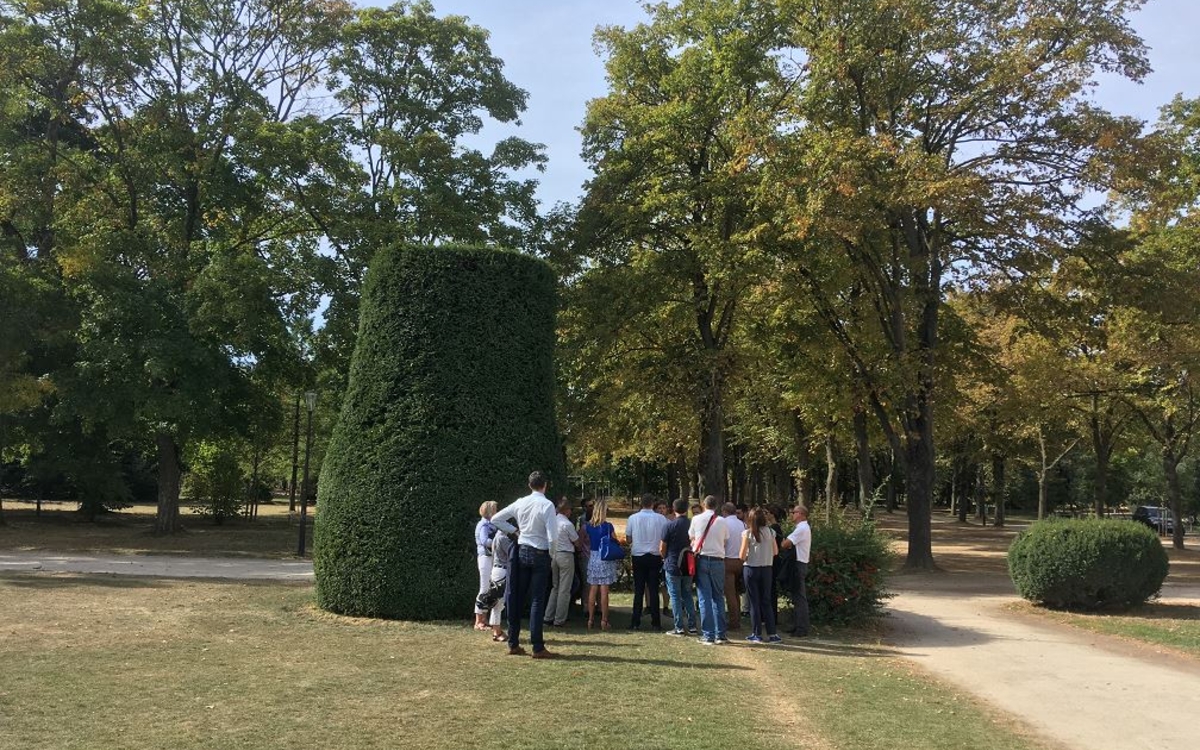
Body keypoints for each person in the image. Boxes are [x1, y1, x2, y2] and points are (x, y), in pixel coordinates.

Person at [490, 471, 559, 659]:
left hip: (522, 550)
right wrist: (551, 556)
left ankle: (513, 642)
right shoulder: (547, 505)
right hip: (540, 552)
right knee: (537, 599)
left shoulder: (521, 502)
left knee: (516, 596)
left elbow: (496, 519)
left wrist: (515, 531)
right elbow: (553, 537)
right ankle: (537, 646)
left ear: (529, 485)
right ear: (545, 485)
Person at [689, 495, 729, 645]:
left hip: (703, 559)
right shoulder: (722, 521)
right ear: (716, 506)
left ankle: (708, 634)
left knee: (704, 597)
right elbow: (725, 540)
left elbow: (691, 537)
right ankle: (721, 634)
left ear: (703, 505)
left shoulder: (696, 519)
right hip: (718, 560)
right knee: (718, 597)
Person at [626, 493, 669, 630]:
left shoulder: (633, 518)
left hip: (638, 555)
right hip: (655, 555)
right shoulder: (661, 519)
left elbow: (628, 538)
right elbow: (665, 537)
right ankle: (656, 622)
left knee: (639, 590)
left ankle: (635, 621)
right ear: (652, 504)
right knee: (654, 589)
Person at [740, 507, 781, 644]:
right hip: (767, 569)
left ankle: (756, 633)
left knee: (754, 602)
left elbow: (741, 555)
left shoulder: (748, 533)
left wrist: (748, 556)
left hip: (751, 568)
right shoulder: (771, 532)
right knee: (766, 601)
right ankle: (772, 633)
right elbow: (775, 552)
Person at [660, 497, 697, 635]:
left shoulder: (669, 525)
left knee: (675, 595)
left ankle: (679, 627)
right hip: (688, 563)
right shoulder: (692, 524)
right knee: (687, 594)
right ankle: (692, 626)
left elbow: (662, 547)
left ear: (673, 509)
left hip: (673, 563)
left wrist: (665, 558)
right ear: (686, 509)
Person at [545, 498, 582, 627]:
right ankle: (559, 619)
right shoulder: (567, 524)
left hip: (554, 554)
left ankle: (548, 616)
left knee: (555, 587)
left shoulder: (552, 522)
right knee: (564, 589)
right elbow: (577, 542)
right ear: (566, 510)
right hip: (565, 555)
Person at [584, 498, 619, 630]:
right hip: (605, 557)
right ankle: (604, 620)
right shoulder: (608, 526)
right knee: (604, 591)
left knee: (593, 589)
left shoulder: (588, 526)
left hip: (593, 557)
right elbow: (615, 540)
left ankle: (590, 619)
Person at [476, 525, 515, 642]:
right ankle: (497, 631)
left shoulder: (497, 537)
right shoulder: (502, 538)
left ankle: (496, 630)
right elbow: (512, 553)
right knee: (499, 603)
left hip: (498, 569)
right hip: (502, 571)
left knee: (497, 602)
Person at [779, 505, 812, 637]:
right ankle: (798, 625)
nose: (792, 514)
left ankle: (802, 628)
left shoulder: (802, 529)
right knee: (797, 597)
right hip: (800, 563)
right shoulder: (802, 528)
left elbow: (785, 544)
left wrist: (783, 541)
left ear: (801, 514)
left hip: (798, 564)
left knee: (799, 597)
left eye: (794, 512)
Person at [721, 502, 746, 631]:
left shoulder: (724, 523)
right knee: (736, 592)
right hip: (740, 560)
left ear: (724, 511)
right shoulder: (742, 524)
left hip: (728, 560)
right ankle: (737, 618)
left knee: (729, 593)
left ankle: (733, 622)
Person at [474, 501, 498, 631]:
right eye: (494, 509)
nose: (496, 511)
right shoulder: (484, 525)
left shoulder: (491, 524)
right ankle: (479, 621)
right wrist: (497, 543)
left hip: (490, 558)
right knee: (484, 588)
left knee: (488, 589)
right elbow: (484, 541)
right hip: (485, 558)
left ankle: (484, 619)